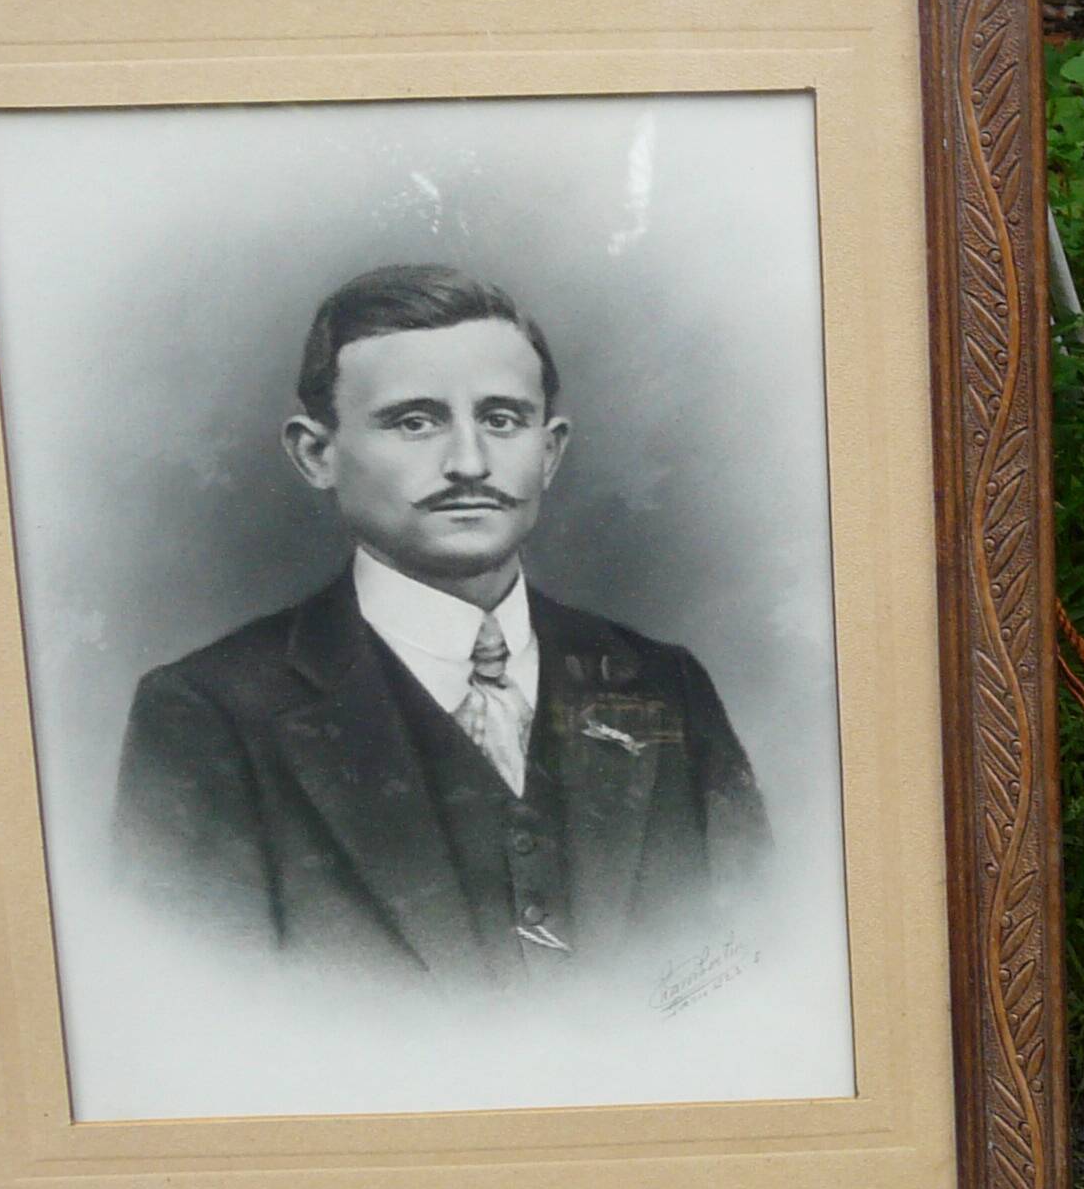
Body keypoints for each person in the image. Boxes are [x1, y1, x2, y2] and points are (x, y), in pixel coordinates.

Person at [113, 263, 767, 982]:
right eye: (414, 421)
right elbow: (204, 1025)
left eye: (501, 419)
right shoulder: (211, 715)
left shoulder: (663, 684)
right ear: (316, 454)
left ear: (548, 453)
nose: (469, 462)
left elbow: (751, 978)